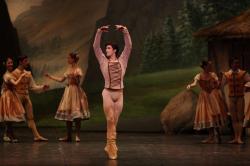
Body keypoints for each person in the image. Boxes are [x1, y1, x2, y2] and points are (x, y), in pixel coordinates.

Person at [93, 25, 132, 159]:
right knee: (109, 119)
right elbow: (96, 48)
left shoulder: (123, 60)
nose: (106, 50)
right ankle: (112, 147)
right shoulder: (103, 61)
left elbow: (128, 47)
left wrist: (125, 31)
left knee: (114, 122)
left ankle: (108, 144)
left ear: (114, 50)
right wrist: (99, 32)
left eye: (108, 48)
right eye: (106, 48)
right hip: (108, 93)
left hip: (120, 94)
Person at [45, 52, 90, 142]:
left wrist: (75, 77)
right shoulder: (68, 69)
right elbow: (61, 80)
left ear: (73, 59)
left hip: (75, 91)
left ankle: (77, 135)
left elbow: (77, 83)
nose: (68, 60)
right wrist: (50, 76)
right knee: (68, 114)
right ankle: (68, 136)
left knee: (77, 115)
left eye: (69, 58)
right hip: (68, 92)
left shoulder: (78, 69)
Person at [11, 55, 49, 141]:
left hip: (26, 96)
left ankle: (36, 135)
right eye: (25, 61)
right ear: (20, 62)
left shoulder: (28, 74)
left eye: (27, 61)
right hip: (17, 96)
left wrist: (42, 87)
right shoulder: (14, 73)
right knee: (12, 116)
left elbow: (33, 87)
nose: (27, 63)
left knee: (30, 117)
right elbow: (11, 86)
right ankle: (8, 133)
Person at [187, 60, 222, 143]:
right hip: (204, 97)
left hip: (211, 96)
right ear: (204, 67)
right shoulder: (199, 76)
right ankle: (211, 136)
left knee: (213, 114)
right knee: (207, 115)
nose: (210, 67)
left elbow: (217, 84)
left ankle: (216, 134)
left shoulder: (212, 74)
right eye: (209, 66)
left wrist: (218, 80)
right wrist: (190, 85)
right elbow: (195, 83)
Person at [221, 58, 250, 144]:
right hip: (231, 97)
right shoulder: (227, 74)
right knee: (234, 119)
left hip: (240, 97)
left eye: (237, 63)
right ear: (231, 64)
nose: (236, 65)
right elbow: (221, 84)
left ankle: (239, 137)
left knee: (240, 117)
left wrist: (245, 87)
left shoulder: (243, 73)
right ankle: (235, 137)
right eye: (235, 63)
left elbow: (249, 80)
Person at [0, 57, 26, 142]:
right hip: (7, 97)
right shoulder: (7, 75)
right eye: (9, 63)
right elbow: (15, 83)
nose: (11, 64)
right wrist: (21, 76)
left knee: (10, 118)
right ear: (5, 64)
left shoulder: (10, 74)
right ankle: (9, 135)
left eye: (11, 62)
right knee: (9, 117)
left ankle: (8, 134)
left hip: (11, 95)